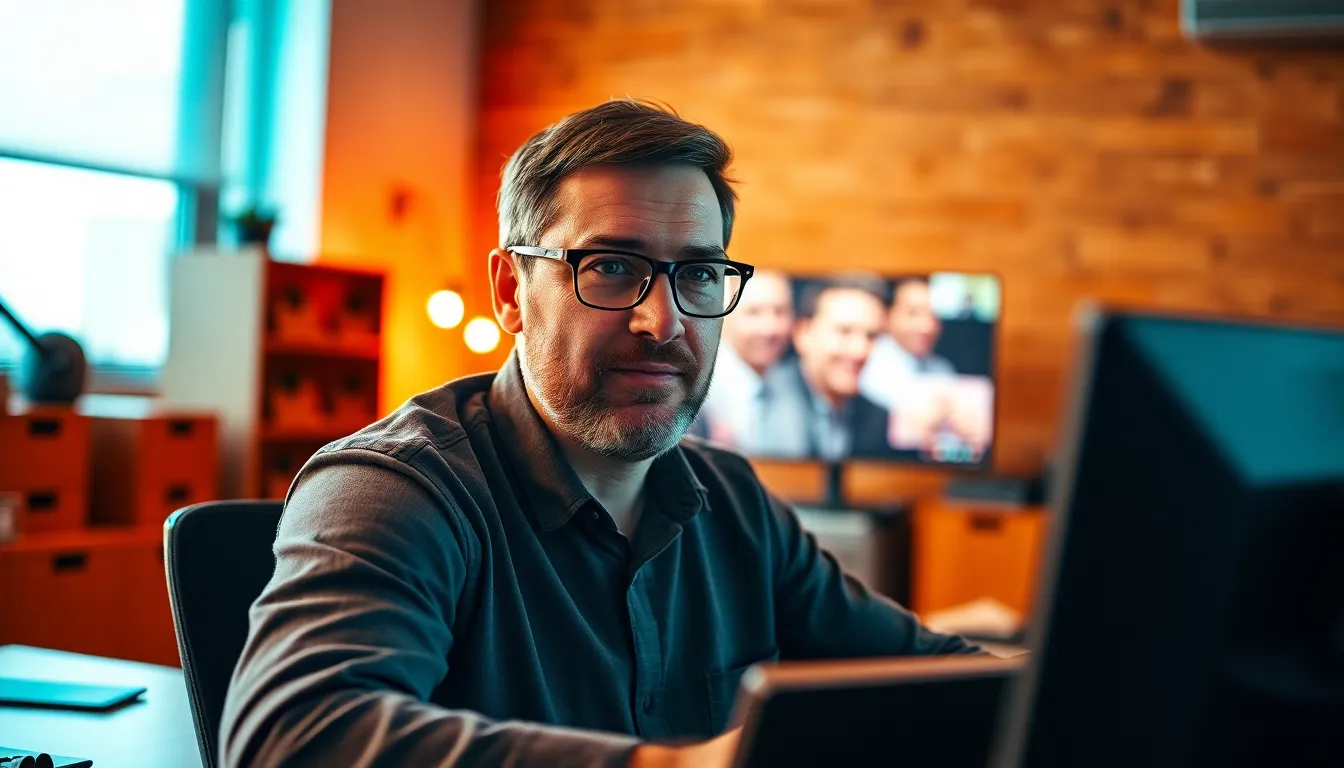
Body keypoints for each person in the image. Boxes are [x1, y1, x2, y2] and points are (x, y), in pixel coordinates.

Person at [220, 100, 978, 768]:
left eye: (699, 275)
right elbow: (296, 739)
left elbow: (930, 675)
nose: (664, 322)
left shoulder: (735, 504)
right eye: (612, 267)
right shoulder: (396, 490)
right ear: (512, 291)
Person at [696, 269, 811, 456]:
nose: (769, 328)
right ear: (725, 315)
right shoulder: (700, 387)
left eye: (780, 312)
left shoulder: (798, 386)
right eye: (754, 312)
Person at [786, 276, 899, 460]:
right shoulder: (762, 406)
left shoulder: (877, 418)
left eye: (871, 336)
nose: (860, 351)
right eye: (844, 332)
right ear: (803, 334)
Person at [858, 275, 955, 412]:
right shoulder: (865, 361)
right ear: (887, 316)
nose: (926, 326)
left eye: (934, 315)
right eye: (913, 313)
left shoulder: (942, 369)